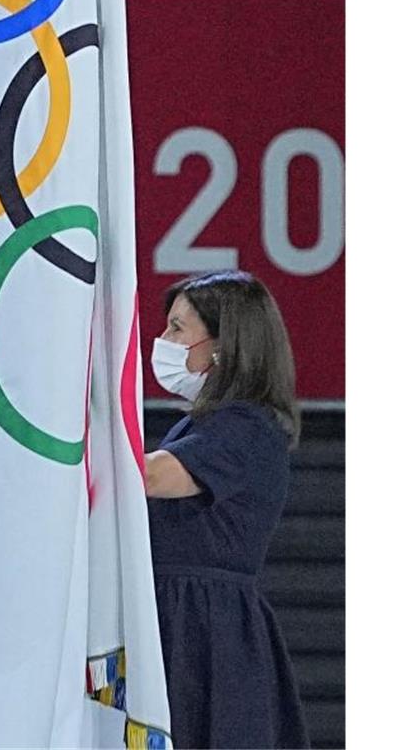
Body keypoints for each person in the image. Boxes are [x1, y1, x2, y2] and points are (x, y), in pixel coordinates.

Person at [144, 270, 310, 748]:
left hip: (205, 631)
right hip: (182, 619)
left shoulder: (245, 428)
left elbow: (151, 476)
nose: (163, 341)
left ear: (222, 346)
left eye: (178, 329)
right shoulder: (203, 425)